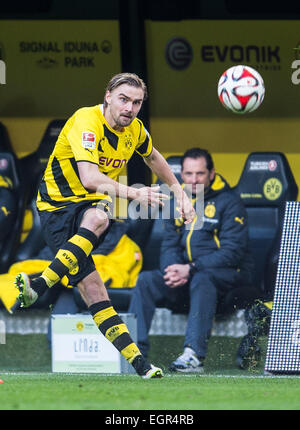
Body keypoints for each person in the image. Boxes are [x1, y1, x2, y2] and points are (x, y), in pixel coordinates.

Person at [14, 72, 195, 379]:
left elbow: (154, 157)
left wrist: (181, 194)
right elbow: (89, 177)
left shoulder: (134, 129)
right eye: (124, 99)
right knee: (94, 291)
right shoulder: (86, 121)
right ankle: (138, 361)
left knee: (99, 216)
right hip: (56, 207)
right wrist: (136, 193)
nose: (130, 108)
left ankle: (40, 286)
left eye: (137, 103)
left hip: (90, 203)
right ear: (108, 96)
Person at [129, 147, 259, 373]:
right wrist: (172, 271)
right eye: (188, 174)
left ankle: (193, 355)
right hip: (188, 277)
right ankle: (133, 353)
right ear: (181, 176)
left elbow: (232, 252)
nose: (194, 180)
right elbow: (169, 244)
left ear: (211, 173)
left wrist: (190, 268)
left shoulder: (230, 202)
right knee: (147, 281)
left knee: (202, 278)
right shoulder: (177, 202)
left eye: (200, 173)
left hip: (227, 277)